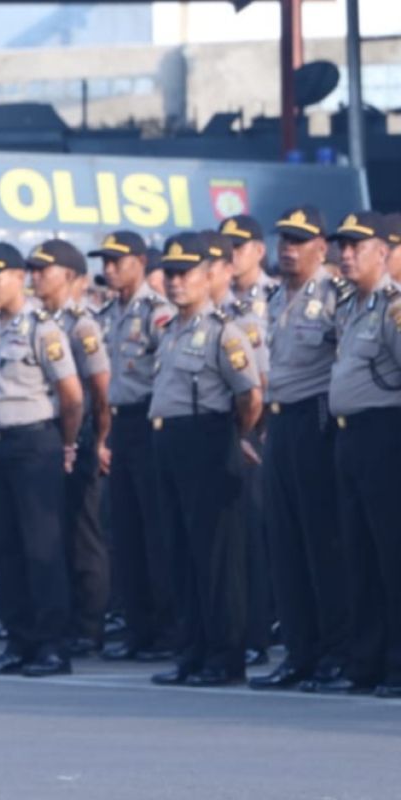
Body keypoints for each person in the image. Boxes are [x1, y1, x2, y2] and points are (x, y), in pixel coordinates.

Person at [149, 232, 262, 688]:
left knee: (217, 558)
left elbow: (250, 395)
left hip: (208, 442)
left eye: (185, 274)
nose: (176, 283)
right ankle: (192, 650)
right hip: (171, 443)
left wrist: (232, 436)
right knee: (181, 553)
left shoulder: (223, 330)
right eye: (170, 274)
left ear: (205, 275)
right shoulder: (171, 330)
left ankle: (224, 655)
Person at [0, 242, 84, 678]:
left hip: (36, 444)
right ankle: (20, 641)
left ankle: (52, 645)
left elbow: (72, 398)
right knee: (8, 547)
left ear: (18, 278)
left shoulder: (43, 329)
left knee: (42, 549)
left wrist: (66, 444)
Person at [251, 206, 351, 691]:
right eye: (283, 239)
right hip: (280, 422)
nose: (288, 249)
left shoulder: (335, 296)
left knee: (320, 542)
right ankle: (299, 651)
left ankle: (334, 652)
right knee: (284, 544)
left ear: (322, 246)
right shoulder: (274, 299)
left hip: (315, 418)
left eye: (299, 240)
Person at [322, 211, 401, 697]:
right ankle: (366, 661)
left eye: (356, 245)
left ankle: (396, 663)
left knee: (392, 554)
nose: (345, 254)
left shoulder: (394, 307)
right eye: (343, 245)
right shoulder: (352, 307)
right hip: (349, 437)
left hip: (385, 434)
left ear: (384, 252)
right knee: (359, 554)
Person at [93, 231, 177, 662]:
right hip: (121, 426)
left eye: (116, 260)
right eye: (105, 261)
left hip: (148, 423)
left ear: (140, 262)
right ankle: (138, 627)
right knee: (123, 530)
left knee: (153, 529)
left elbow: (167, 374)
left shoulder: (156, 312)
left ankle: (164, 629)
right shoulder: (109, 313)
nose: (108, 268)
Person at [28, 239, 112, 655]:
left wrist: (97, 441)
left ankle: (90, 624)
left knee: (84, 531)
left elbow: (99, 390)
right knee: (58, 531)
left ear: (71, 276)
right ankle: (73, 616)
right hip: (57, 434)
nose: (36, 276)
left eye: (46, 269)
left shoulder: (81, 324)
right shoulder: (41, 320)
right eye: (35, 269)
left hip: (80, 434)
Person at [204, 231, 272, 666]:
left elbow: (257, 387)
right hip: (205, 439)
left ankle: (255, 633)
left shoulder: (243, 318)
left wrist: (246, 436)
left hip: (242, 440)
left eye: (211, 265)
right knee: (214, 544)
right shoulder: (195, 320)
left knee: (247, 542)